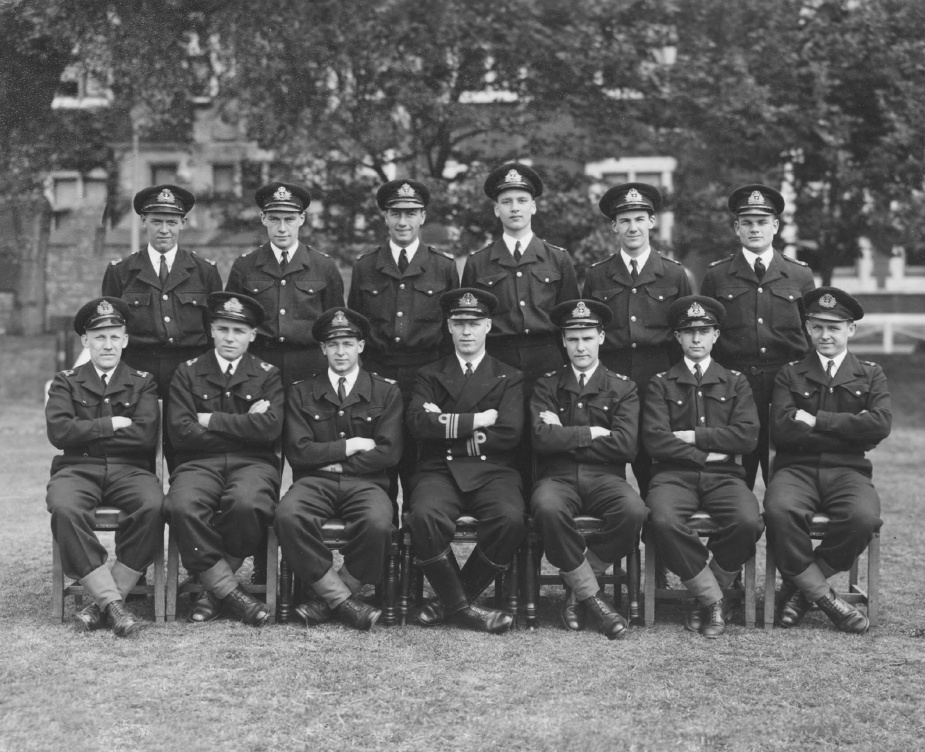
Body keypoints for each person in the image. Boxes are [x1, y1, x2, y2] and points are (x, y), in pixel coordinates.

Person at [764, 287, 891, 634]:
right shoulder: (790, 374)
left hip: (849, 470)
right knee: (779, 511)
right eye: (818, 327)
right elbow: (783, 431)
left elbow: (879, 425)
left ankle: (800, 592)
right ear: (807, 328)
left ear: (851, 329)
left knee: (864, 518)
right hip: (797, 469)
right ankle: (824, 598)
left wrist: (816, 420)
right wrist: (852, 427)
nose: (825, 335)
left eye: (834, 327)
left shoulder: (870, 374)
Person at [405, 288, 526, 634]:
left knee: (510, 518)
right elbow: (417, 424)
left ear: (488, 326)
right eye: (459, 323)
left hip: (493, 471)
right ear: (448, 327)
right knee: (425, 515)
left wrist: (444, 422)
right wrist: (479, 420)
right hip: (438, 471)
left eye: (474, 323)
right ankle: (466, 610)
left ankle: (448, 603)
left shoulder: (509, 376)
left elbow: (509, 433)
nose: (467, 331)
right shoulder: (430, 374)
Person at [642, 296, 764, 638]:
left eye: (704, 331)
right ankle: (713, 599)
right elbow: (655, 440)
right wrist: (707, 453)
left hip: (724, 478)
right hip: (672, 478)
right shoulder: (660, 383)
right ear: (677, 338)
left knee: (748, 521)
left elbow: (747, 436)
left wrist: (694, 436)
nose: (696, 339)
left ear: (716, 336)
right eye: (688, 332)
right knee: (662, 519)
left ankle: (706, 598)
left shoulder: (735, 382)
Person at [275, 308, 403, 631]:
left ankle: (328, 598)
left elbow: (389, 452)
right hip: (314, 483)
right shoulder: (302, 391)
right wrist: (349, 447)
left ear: (361, 346)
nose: (341, 352)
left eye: (348, 343)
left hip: (366, 484)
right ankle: (344, 602)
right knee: (288, 515)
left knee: (378, 523)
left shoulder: (386, 391)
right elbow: (298, 451)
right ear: (322, 349)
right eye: (333, 345)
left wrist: (334, 461)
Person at [45, 297, 164, 637]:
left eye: (115, 336)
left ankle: (102, 603)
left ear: (125, 340)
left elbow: (143, 437)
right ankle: (114, 603)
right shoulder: (66, 381)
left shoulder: (143, 381)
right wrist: (112, 425)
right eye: (99, 337)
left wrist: (87, 432)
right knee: (65, 507)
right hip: (77, 469)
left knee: (153, 505)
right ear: (85, 341)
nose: (108, 344)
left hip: (131, 470)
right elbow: (59, 432)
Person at [164, 292, 284, 626]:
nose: (230, 338)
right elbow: (180, 432)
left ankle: (212, 590)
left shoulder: (268, 374)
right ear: (211, 331)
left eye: (239, 331)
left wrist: (209, 419)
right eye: (223, 329)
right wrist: (246, 422)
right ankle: (229, 591)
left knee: (248, 504)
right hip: (198, 463)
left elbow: (270, 430)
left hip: (253, 464)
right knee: (181, 506)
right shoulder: (187, 372)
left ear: (252, 335)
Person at [530, 299, 647, 639]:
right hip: (558, 478)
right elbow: (540, 439)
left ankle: (579, 587)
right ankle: (595, 599)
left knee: (634, 511)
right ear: (563, 341)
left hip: (605, 478)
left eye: (587, 338)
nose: (580, 347)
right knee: (547, 509)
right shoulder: (546, 385)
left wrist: (563, 432)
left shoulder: (622, 386)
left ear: (601, 338)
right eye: (573, 339)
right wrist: (594, 432)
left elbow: (625, 445)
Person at [348, 178, 459, 506]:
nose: (403, 221)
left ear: (422, 217)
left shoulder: (443, 267)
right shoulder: (366, 267)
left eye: (411, 213)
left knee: (420, 471)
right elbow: (356, 333)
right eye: (396, 213)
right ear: (385, 217)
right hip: (378, 378)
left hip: (424, 377)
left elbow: (452, 335)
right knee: (378, 468)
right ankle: (382, 553)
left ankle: (416, 553)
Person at [700, 184, 815, 490]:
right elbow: (705, 336)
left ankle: (782, 538)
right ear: (737, 228)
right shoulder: (717, 276)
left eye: (762, 222)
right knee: (735, 480)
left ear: (775, 226)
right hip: (735, 389)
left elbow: (810, 335)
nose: (755, 229)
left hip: (785, 389)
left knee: (785, 482)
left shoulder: (799, 275)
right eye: (747, 223)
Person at [583, 182, 691, 496]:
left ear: (651, 222)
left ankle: (654, 542)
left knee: (656, 477)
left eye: (639, 218)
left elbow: (682, 338)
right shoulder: (597, 276)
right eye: (625, 220)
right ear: (614, 226)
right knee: (606, 478)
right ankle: (621, 546)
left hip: (657, 385)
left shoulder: (673, 275)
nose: (633, 227)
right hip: (609, 387)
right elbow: (587, 335)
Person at [461, 162, 579, 391]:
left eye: (522, 201)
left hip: (548, 361)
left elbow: (571, 321)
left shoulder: (558, 259)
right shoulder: (478, 263)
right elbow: (469, 322)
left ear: (533, 207)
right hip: (497, 361)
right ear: (496, 209)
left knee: (546, 425)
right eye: (506, 202)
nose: (515, 208)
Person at [102, 185, 222, 399]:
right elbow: (110, 331)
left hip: (190, 374)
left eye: (172, 222)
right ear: (144, 221)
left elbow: (213, 332)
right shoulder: (120, 272)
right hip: (137, 374)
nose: (164, 230)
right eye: (157, 221)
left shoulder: (205, 272)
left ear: (183, 223)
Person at [225, 181, 345, 388]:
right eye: (274, 219)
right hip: (258, 367)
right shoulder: (244, 266)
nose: (282, 228)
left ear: (302, 219)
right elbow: (233, 324)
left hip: (310, 367)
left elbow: (336, 325)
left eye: (289, 219)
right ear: (263, 219)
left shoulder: (323, 266)